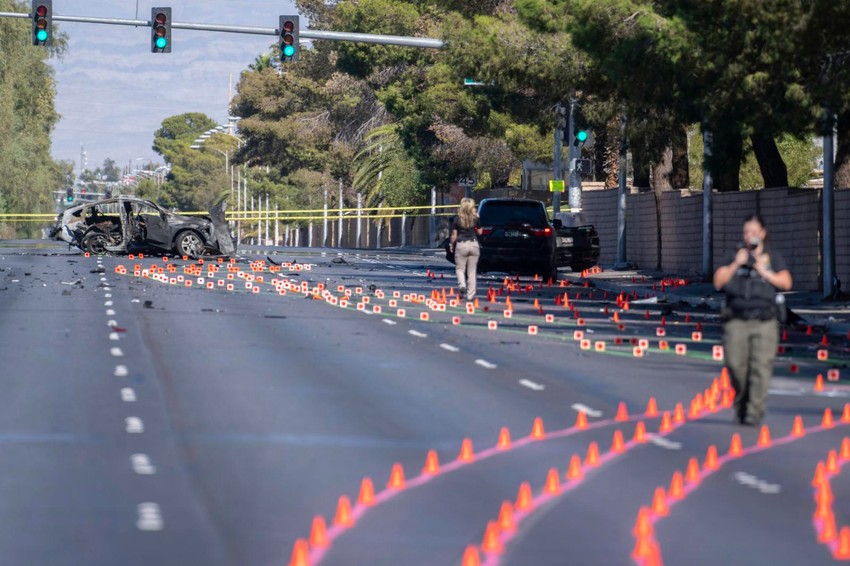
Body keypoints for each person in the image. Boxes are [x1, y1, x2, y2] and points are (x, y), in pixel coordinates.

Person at [713, 213, 792, 426]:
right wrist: (735, 264)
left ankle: (754, 411)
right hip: (736, 320)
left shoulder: (771, 256)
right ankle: (742, 402)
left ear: (763, 233)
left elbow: (786, 282)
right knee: (735, 365)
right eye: (747, 232)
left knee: (760, 367)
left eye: (754, 232)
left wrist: (764, 271)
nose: (750, 236)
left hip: (765, 320)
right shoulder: (734, 255)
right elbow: (718, 282)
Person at [449, 198, 482, 301]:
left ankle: (462, 285)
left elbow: (454, 235)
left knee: (460, 269)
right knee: (472, 271)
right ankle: (470, 295)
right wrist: (477, 222)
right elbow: (480, 232)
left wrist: (451, 245)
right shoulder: (475, 218)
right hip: (474, 244)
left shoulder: (457, 219)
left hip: (461, 245)